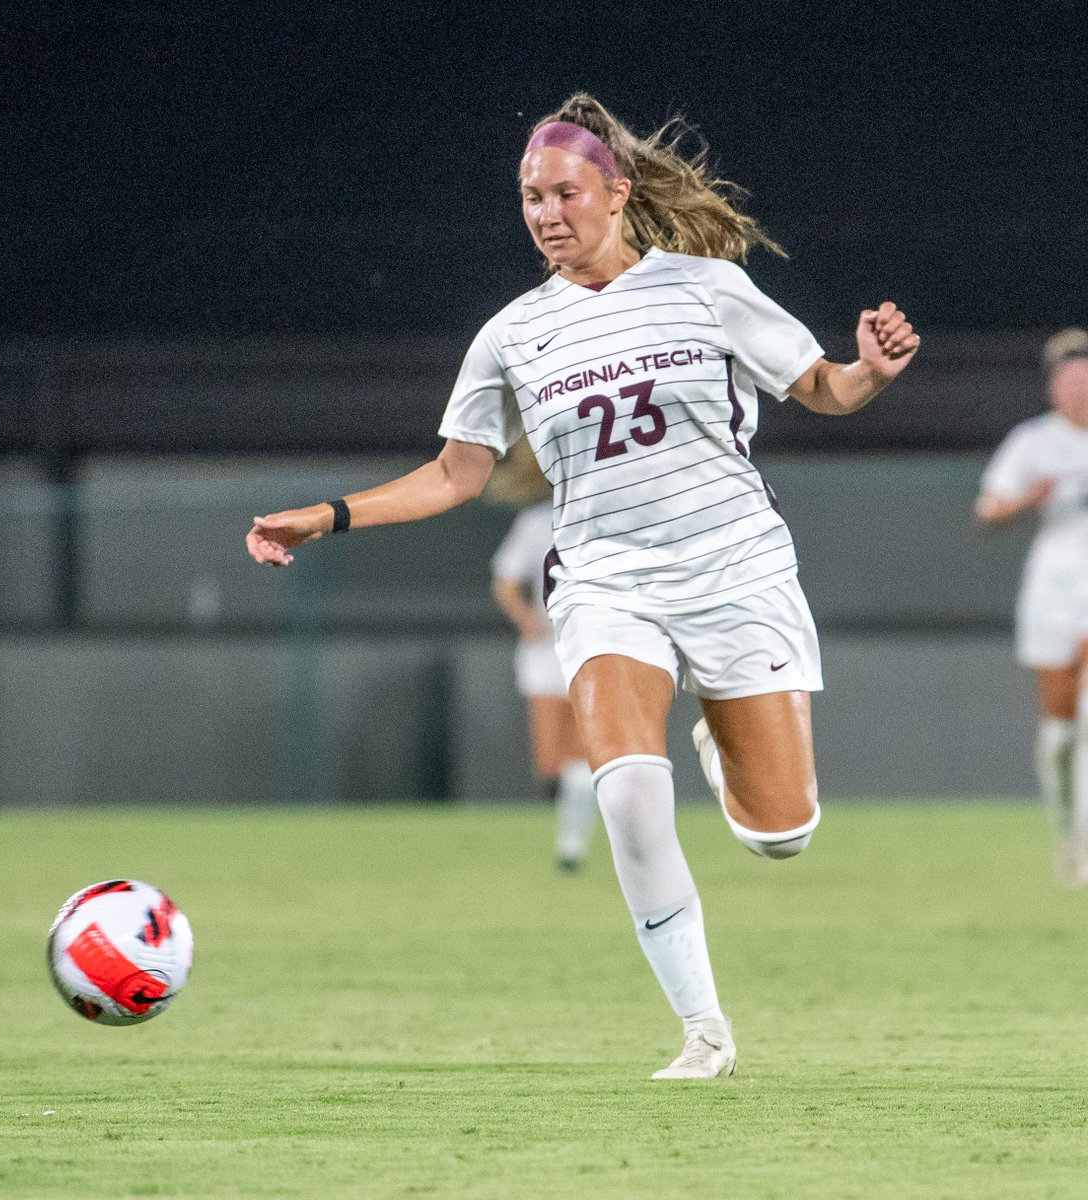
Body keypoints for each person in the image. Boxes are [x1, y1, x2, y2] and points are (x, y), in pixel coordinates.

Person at [246, 93, 919, 1079]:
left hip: (736, 567)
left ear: (618, 191)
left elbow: (821, 386)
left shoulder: (705, 288)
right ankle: (703, 1030)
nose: (547, 211)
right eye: (530, 197)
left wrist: (871, 370)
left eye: (565, 192)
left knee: (784, 836)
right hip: (607, 581)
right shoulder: (512, 336)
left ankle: (728, 752)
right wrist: (329, 512)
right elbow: (453, 476)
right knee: (629, 800)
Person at [975, 329, 1088, 885]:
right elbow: (987, 510)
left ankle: (1087, 844)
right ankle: (1066, 830)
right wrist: (1026, 501)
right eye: (1069, 381)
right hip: (1054, 589)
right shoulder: (1033, 441)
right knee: (1062, 732)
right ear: (1054, 388)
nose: (1078, 390)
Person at [488, 441, 597, 872]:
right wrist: (526, 619)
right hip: (544, 651)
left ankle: (571, 845)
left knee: (585, 750)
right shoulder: (536, 523)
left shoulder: (606, 517)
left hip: (593, 644)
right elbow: (505, 581)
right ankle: (572, 825)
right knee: (550, 760)